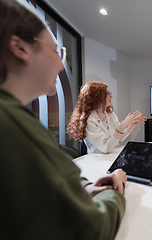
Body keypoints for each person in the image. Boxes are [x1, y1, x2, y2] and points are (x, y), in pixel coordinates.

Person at [0, 0, 127, 239]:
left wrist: (85, 187)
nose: (61, 64)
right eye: (57, 51)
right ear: (20, 48)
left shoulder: (14, 117)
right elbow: (92, 227)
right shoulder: (12, 124)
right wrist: (115, 189)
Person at [67, 81, 146, 154]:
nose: (111, 96)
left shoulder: (109, 114)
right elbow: (106, 147)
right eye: (107, 93)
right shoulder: (89, 120)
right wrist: (123, 125)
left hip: (110, 156)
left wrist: (132, 124)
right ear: (97, 98)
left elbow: (119, 137)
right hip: (97, 159)